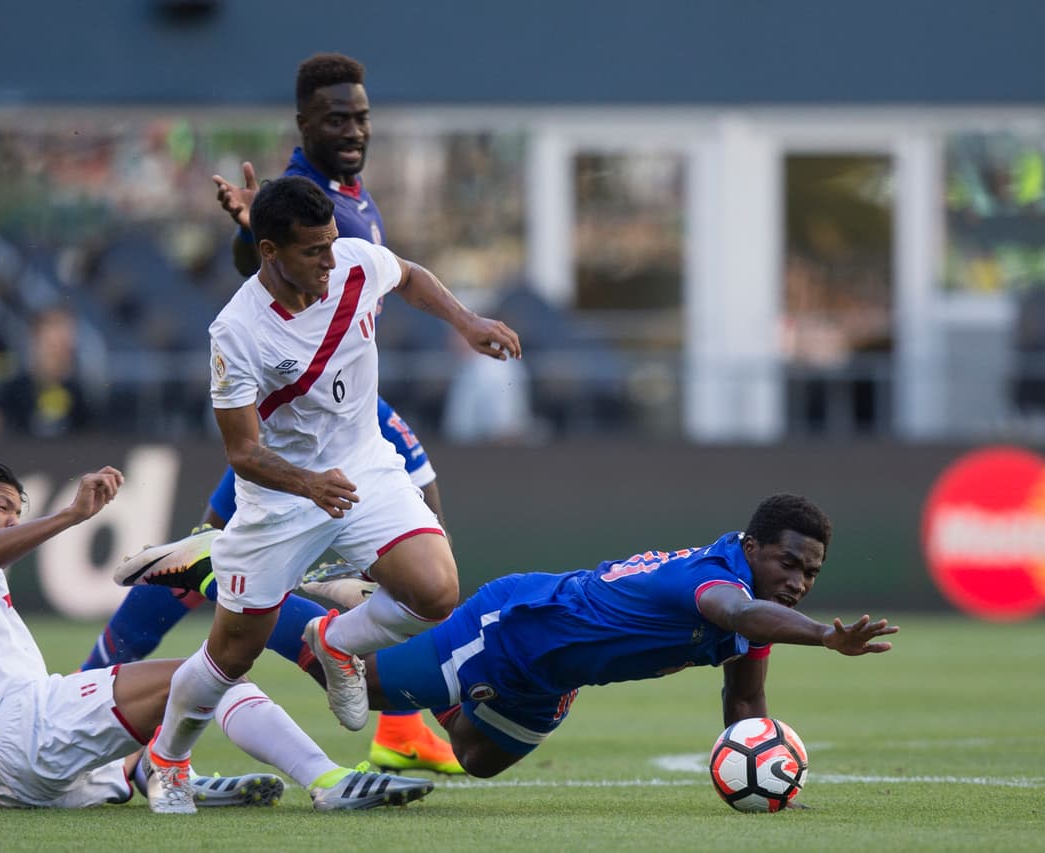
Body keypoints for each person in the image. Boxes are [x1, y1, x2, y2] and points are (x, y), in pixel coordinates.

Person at [85, 51, 461, 775]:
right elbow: (265, 288)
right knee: (231, 617)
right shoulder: (311, 204)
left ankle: (383, 695)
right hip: (293, 423)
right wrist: (241, 235)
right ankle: (102, 687)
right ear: (304, 125)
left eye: (361, 117)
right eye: (335, 119)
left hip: (349, 413)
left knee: (426, 545)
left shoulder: (347, 195)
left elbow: (389, 276)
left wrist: (468, 322)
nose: (352, 131)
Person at [137, 174, 520, 799]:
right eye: (312, 251)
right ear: (269, 252)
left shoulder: (354, 262)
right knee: (232, 653)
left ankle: (333, 640)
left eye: (332, 242)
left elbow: (410, 275)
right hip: (283, 497)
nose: (329, 259)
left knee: (436, 590)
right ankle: (169, 761)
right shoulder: (236, 333)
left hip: (363, 464)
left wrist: (466, 320)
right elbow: (243, 452)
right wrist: (308, 484)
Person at [132, 493, 897, 779]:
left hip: (552, 677)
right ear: (754, 547)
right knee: (374, 685)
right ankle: (221, 567)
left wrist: (760, 772)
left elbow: (746, 702)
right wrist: (826, 637)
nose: (799, 581)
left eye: (812, 574)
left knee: (479, 759)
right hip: (512, 630)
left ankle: (378, 609)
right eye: (790, 564)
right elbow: (736, 615)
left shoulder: (758, 607)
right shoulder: (720, 583)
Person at [0, 459, 434, 813]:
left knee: (169, 704)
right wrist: (70, 516)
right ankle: (327, 781)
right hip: (23, 727)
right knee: (211, 670)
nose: (11, 519)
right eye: (4, 506)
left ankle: (160, 774)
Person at [0, 306, 94, 444]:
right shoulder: (16, 388)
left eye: (66, 337)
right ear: (35, 342)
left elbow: (94, 436)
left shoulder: (79, 391)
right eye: (50, 345)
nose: (64, 343)